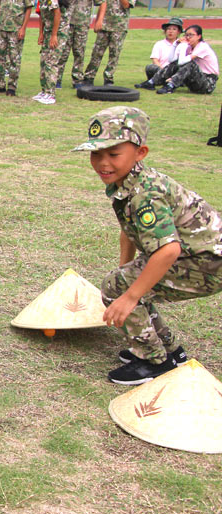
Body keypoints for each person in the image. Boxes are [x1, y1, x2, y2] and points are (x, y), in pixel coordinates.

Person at [72, 106, 222, 385]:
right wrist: (126, 271)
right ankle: (170, 350)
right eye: (96, 154)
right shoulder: (128, 182)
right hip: (199, 256)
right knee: (126, 283)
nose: (103, 163)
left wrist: (128, 294)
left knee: (119, 288)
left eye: (114, 154)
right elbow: (128, 231)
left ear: (140, 153)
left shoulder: (145, 193)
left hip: (206, 262)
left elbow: (169, 250)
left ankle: (154, 360)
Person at [138, 25, 218, 95]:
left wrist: (183, 45)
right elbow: (172, 60)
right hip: (194, 80)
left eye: (191, 35)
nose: (188, 37)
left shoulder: (202, 47)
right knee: (176, 62)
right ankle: (151, 82)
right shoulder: (189, 47)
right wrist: (175, 44)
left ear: (199, 36)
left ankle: (171, 86)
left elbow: (182, 61)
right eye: (186, 35)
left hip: (207, 83)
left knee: (190, 64)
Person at [80, 0, 134, 87]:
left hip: (119, 26)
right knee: (96, 53)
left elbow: (126, 5)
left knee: (114, 54)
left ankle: (108, 78)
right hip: (104, 25)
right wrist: (98, 20)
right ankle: (89, 77)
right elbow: (102, 3)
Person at [0, 0, 33, 96]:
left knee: (14, 59)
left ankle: (12, 87)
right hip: (1, 28)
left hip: (15, 29)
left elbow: (29, 8)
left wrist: (23, 28)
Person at [55, 0, 91, 88]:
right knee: (63, 53)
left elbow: (101, 2)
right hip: (66, 21)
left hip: (82, 22)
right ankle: (57, 79)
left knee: (79, 53)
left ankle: (77, 79)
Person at [33, 0, 63, 105]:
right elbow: (41, 15)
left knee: (51, 61)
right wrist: (41, 33)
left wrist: (54, 35)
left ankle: (51, 94)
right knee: (44, 61)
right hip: (47, 31)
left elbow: (57, 13)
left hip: (58, 32)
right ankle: (44, 91)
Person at [144, 16, 181, 81]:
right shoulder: (159, 44)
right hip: (161, 70)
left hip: (175, 72)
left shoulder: (182, 45)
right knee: (150, 67)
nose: (171, 31)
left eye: (174, 29)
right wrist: (163, 70)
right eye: (169, 29)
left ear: (178, 32)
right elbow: (155, 60)